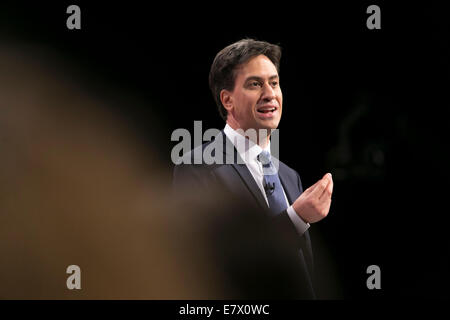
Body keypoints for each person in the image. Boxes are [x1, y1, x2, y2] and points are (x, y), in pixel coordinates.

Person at [173, 38, 334, 299]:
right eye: (255, 84)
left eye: (274, 82)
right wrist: (295, 219)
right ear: (227, 100)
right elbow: (206, 264)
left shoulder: (289, 177)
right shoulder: (198, 166)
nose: (270, 93)